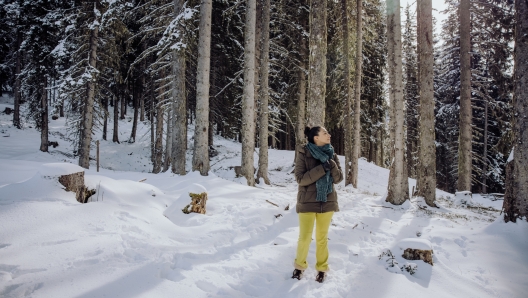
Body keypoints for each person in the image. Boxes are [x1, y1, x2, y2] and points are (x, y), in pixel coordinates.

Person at [291, 126, 343, 283]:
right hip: (307, 202)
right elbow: (300, 179)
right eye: (325, 133)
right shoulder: (303, 152)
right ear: (316, 138)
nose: (329, 135)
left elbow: (338, 178)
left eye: (328, 132)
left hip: (327, 202)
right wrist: (322, 168)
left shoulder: (331, 153)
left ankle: (322, 268)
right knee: (305, 237)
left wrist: (331, 165)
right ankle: (299, 267)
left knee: (322, 238)